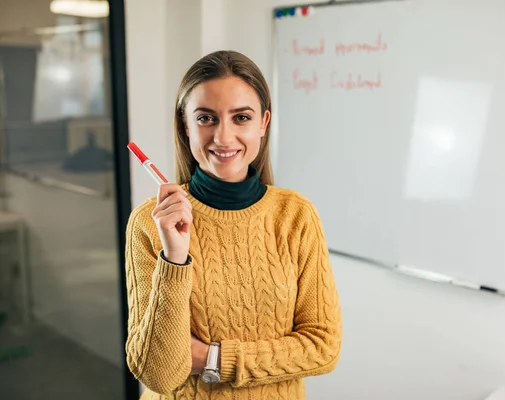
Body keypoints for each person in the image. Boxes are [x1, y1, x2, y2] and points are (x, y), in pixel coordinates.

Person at [124, 50, 342, 400]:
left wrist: (213, 358)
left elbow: (323, 347)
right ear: (185, 124)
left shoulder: (296, 215)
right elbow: (159, 375)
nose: (223, 137)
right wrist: (175, 258)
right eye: (206, 118)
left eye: (241, 117)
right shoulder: (150, 223)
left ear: (263, 123)